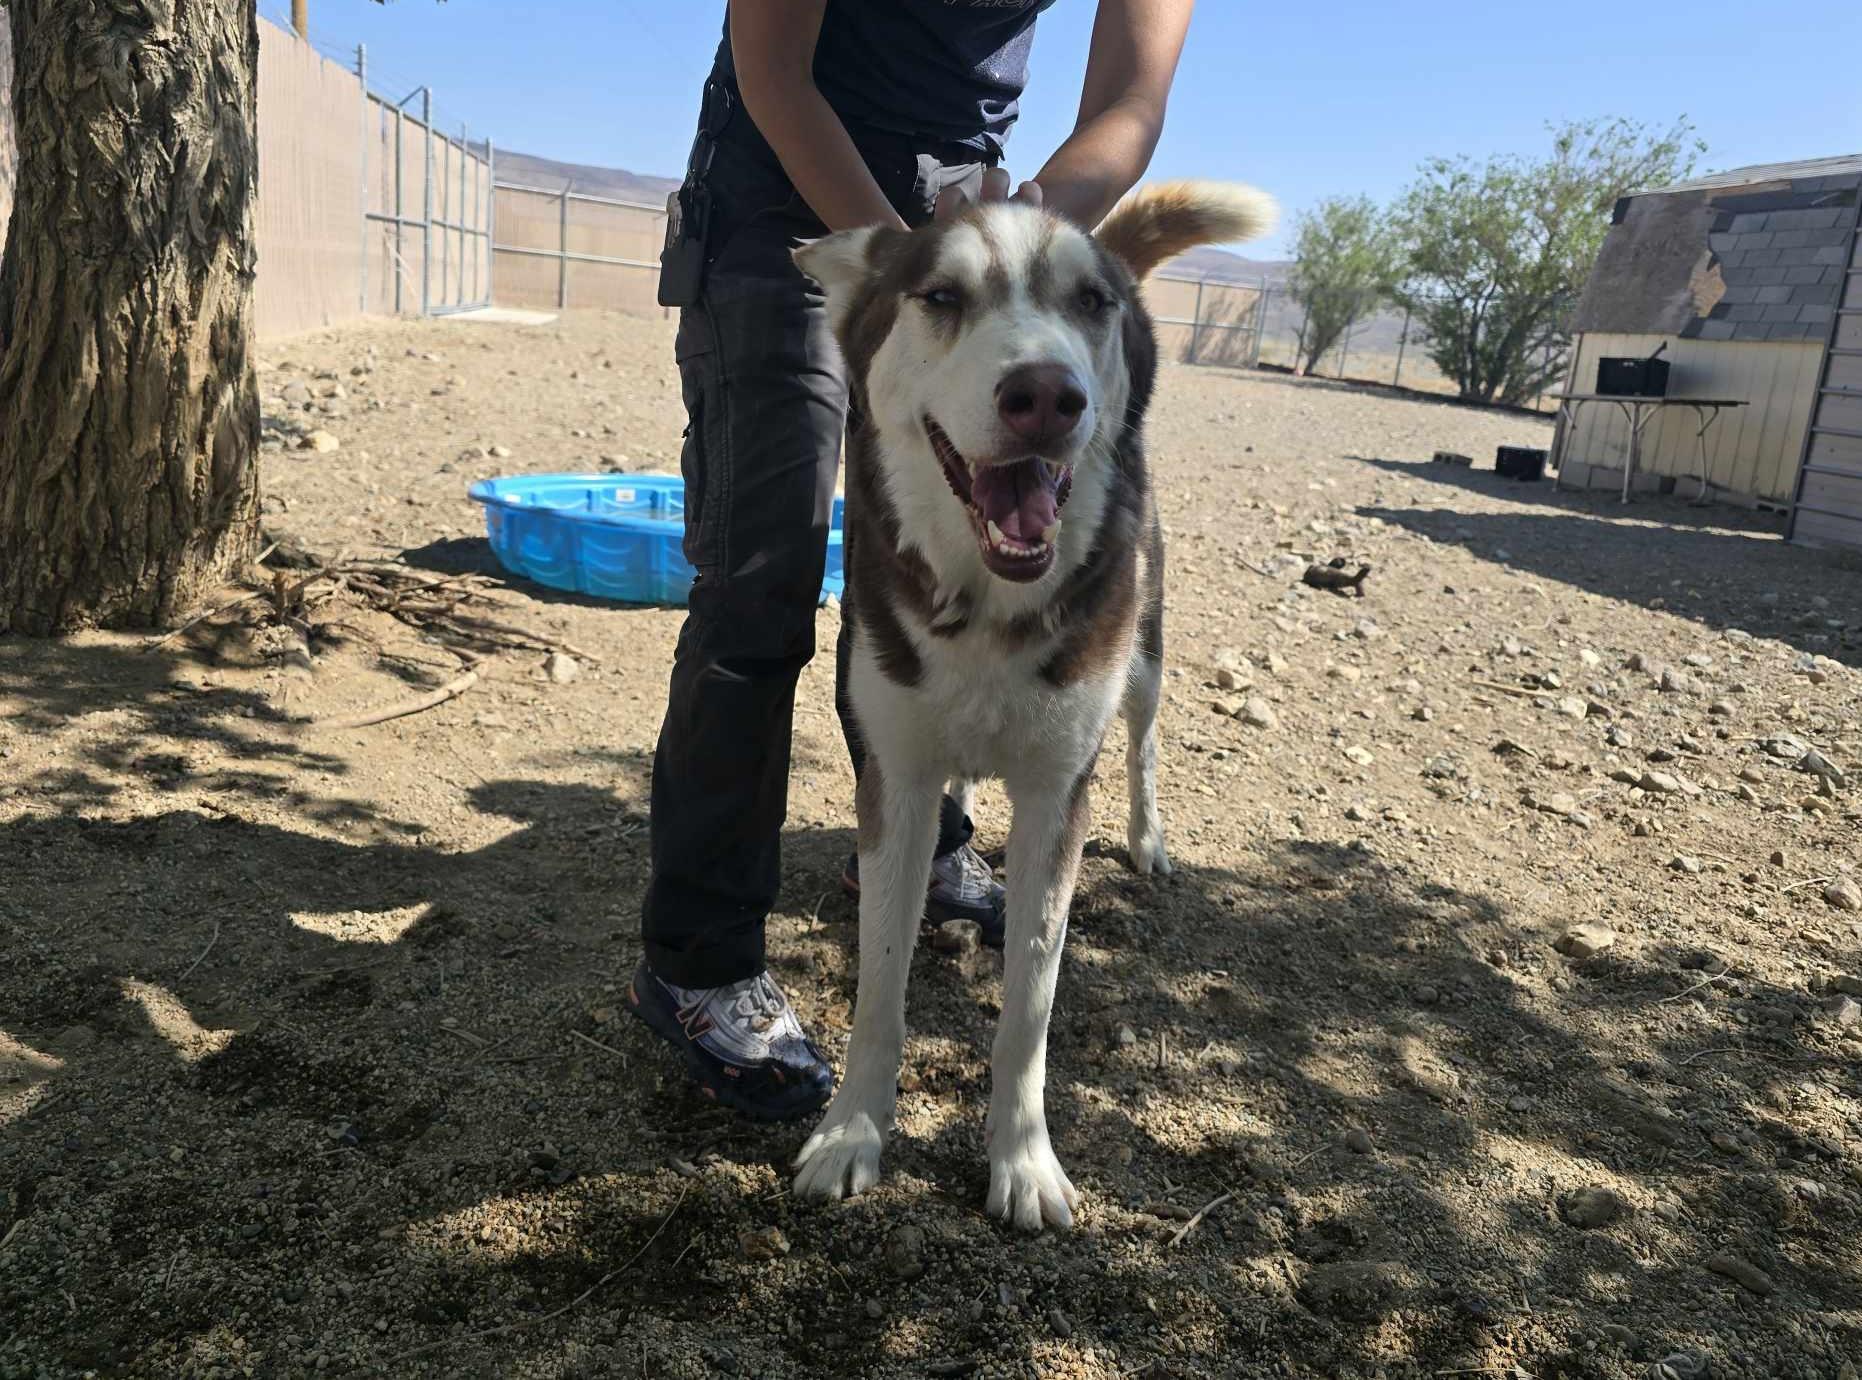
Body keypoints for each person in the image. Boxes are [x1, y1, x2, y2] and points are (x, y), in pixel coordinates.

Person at [627, 0, 1196, 1120]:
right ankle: (696, 961)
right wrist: (910, 269)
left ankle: (917, 842)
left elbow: (1129, 104)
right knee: (762, 583)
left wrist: (1021, 226)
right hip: (786, 208)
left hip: (963, 219)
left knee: (926, 559)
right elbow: (774, 68)